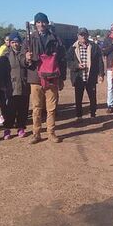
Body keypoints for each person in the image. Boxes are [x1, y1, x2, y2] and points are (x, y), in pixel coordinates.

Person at [24, 12, 67, 144]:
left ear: (47, 23)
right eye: (38, 22)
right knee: (36, 107)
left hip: (52, 77)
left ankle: (51, 133)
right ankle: (36, 133)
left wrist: (62, 78)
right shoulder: (29, 40)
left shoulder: (56, 39)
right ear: (35, 24)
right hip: (36, 77)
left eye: (43, 22)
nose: (41, 24)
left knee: (51, 108)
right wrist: (26, 58)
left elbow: (62, 59)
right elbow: (22, 59)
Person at [0, 32, 32, 139]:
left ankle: (21, 127)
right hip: (11, 86)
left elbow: (28, 65)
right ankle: (7, 129)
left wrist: (28, 59)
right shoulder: (5, 55)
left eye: (17, 42)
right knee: (10, 109)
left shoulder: (24, 53)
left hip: (24, 85)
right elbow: (1, 72)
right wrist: (2, 85)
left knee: (23, 109)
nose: (15, 44)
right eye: (13, 42)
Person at [67, 27, 105, 122]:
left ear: (88, 35)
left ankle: (93, 115)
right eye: (81, 35)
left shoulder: (94, 47)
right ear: (78, 36)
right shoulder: (73, 48)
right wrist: (77, 65)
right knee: (78, 98)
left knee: (92, 97)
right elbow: (68, 61)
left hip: (90, 76)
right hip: (78, 77)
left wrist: (101, 74)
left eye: (84, 34)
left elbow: (99, 61)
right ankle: (79, 116)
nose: (83, 36)